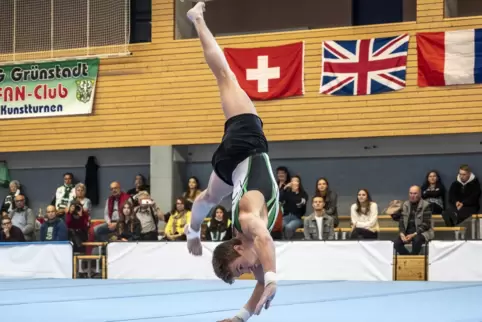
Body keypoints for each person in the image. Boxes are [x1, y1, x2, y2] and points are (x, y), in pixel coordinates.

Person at [183, 2, 279, 321]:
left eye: (241, 267)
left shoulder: (251, 224)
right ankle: (193, 230)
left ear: (238, 247)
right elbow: (261, 282)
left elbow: (264, 243)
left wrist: (275, 278)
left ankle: (197, 20)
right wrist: (239, 319)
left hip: (245, 144)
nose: (249, 270)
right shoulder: (249, 237)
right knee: (209, 197)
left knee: (225, 75)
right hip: (229, 167)